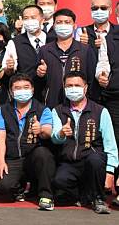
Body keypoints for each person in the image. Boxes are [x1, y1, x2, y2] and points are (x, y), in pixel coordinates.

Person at [51, 71, 118, 214]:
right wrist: (61, 133)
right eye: (69, 85)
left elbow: (110, 145)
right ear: (64, 87)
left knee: (95, 160)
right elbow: (54, 137)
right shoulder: (58, 111)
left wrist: (110, 172)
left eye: (77, 85)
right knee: (59, 181)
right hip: (70, 161)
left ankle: (98, 199)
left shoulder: (100, 111)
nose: (73, 88)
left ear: (86, 88)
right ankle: (84, 195)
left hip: (92, 160)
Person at [0, 73, 55, 211]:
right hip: (13, 158)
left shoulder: (42, 109)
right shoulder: (3, 110)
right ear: (11, 91)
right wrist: (1, 162)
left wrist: (41, 130)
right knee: (4, 188)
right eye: (18, 88)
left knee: (43, 153)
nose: (22, 91)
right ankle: (20, 187)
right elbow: (1, 138)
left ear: (32, 89)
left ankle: (45, 195)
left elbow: (48, 132)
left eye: (26, 87)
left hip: (33, 158)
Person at [35, 9, 97, 108]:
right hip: (52, 103)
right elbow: (38, 83)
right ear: (54, 26)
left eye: (67, 22)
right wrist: (40, 74)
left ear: (74, 26)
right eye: (59, 22)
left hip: (79, 105)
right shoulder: (44, 50)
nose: (63, 25)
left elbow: (92, 79)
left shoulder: (85, 50)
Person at [97, 2, 119, 205]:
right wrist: (102, 76)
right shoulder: (109, 39)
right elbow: (102, 63)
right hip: (115, 96)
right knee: (116, 139)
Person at [3, 5, 47, 94]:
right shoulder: (15, 42)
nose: (30, 21)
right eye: (26, 18)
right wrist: (10, 68)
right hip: (25, 93)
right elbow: (8, 72)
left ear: (42, 20)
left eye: (33, 17)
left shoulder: (52, 39)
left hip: (49, 92)